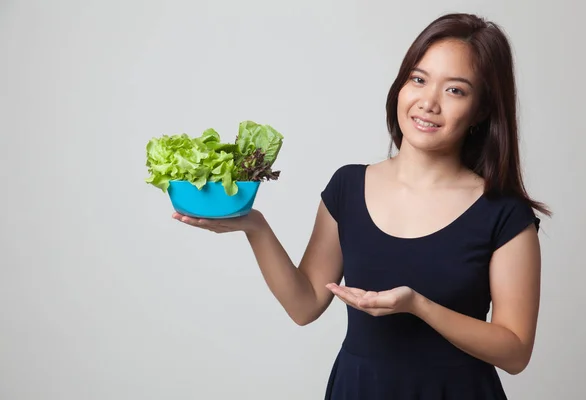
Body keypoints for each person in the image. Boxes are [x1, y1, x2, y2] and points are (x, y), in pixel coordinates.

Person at [173, 12, 550, 400]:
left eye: (455, 90)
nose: (428, 102)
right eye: (418, 80)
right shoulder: (348, 187)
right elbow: (304, 305)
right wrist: (255, 227)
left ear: (482, 110)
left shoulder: (504, 213)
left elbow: (515, 351)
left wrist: (418, 306)